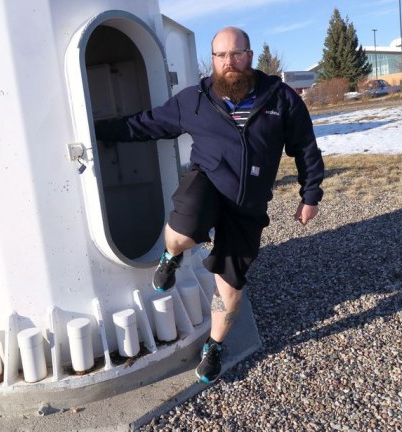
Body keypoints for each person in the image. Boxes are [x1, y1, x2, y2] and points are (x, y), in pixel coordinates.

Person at [94, 26, 324, 384]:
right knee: (183, 231)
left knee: (229, 289)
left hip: (247, 204)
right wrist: (97, 131)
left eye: (235, 54)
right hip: (207, 183)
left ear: (249, 56)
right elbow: (148, 124)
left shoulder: (280, 99)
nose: (228, 62)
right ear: (213, 59)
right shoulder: (195, 100)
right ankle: (171, 257)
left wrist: (310, 195)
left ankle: (213, 346)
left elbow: (306, 147)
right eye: (220, 55)